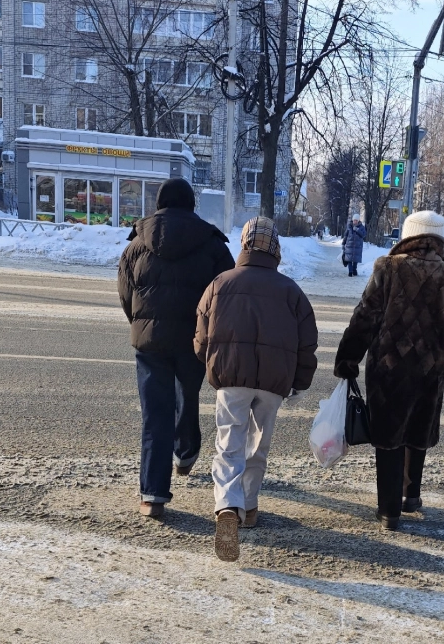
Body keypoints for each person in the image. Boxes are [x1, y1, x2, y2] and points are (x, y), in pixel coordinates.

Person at [334, 210, 444, 531]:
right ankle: (411, 495)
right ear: (440, 240)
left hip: (388, 369)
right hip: (431, 369)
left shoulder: (388, 269)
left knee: (388, 435)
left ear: (408, 237)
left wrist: (347, 360)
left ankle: (389, 511)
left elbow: (364, 317)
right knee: (419, 427)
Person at [194, 217, 318, 561]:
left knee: (229, 442)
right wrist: (300, 380)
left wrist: (208, 361)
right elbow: (308, 342)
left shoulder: (220, 283)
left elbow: (202, 334)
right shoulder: (291, 291)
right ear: (276, 249)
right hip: (273, 381)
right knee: (258, 445)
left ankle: (227, 507)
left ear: (244, 244)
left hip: (230, 376)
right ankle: (248, 508)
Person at [118, 178, 235, 519]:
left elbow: (127, 295)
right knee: (187, 393)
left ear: (159, 205)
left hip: (149, 342)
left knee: (155, 413)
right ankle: (185, 453)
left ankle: (152, 496)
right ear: (191, 205)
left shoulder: (137, 243)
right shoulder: (212, 243)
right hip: (193, 340)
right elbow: (223, 294)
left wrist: (141, 323)